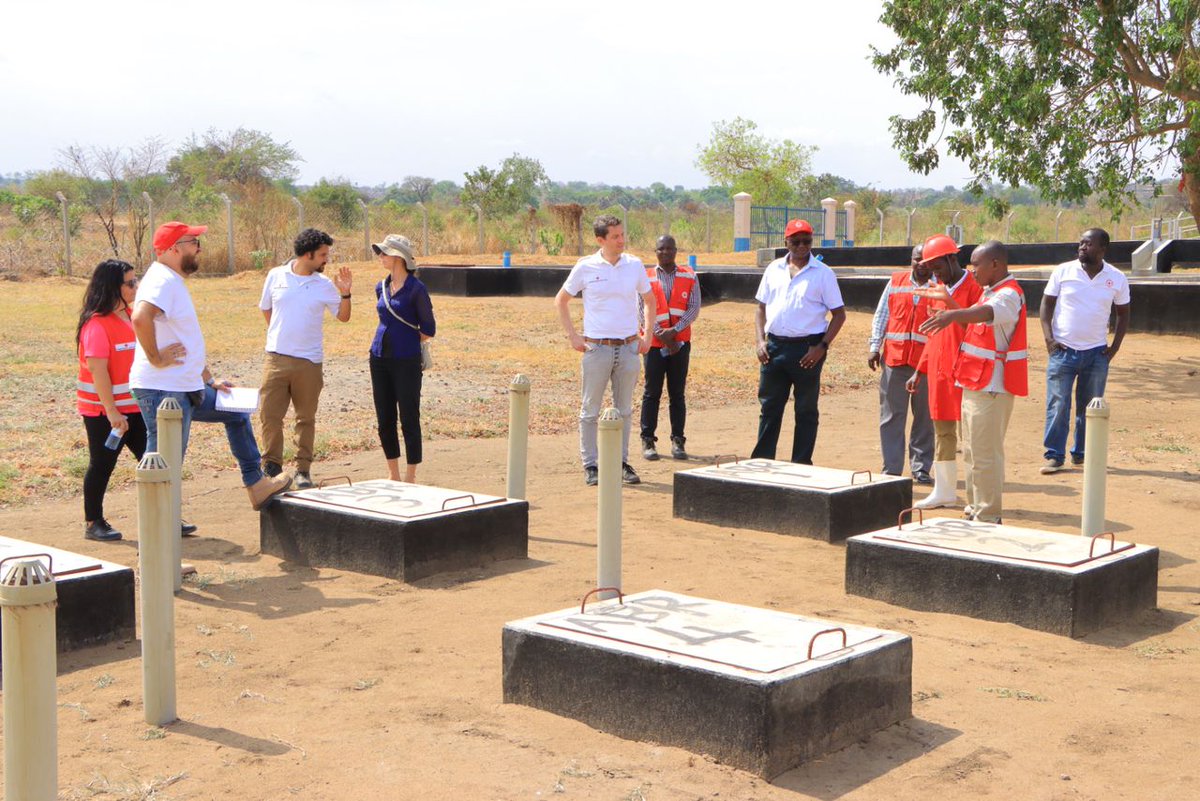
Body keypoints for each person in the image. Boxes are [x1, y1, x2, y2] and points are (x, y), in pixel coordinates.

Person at [129, 221, 292, 512]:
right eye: (194, 242)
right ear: (174, 248)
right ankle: (159, 528)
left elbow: (183, 337)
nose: (200, 248)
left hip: (185, 386)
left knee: (235, 413)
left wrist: (208, 378)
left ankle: (257, 485)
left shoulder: (170, 279)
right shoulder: (161, 280)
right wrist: (156, 358)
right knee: (165, 458)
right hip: (164, 389)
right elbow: (140, 318)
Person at [920, 240, 1027, 524]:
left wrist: (953, 313)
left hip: (992, 388)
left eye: (977, 264)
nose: (972, 270)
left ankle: (988, 515)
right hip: (975, 384)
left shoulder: (1008, 295)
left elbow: (986, 314)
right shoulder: (989, 292)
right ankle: (975, 505)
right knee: (972, 452)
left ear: (996, 264)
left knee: (985, 455)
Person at [555, 215, 655, 486]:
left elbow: (649, 299)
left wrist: (648, 333)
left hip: (628, 347)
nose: (621, 240)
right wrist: (573, 336)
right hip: (596, 347)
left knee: (624, 410)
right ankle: (591, 465)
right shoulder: (585, 266)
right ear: (601, 240)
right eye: (615, 236)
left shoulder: (634, 265)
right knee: (590, 410)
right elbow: (561, 300)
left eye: (622, 235)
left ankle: (621, 462)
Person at [259, 228, 353, 489]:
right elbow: (266, 309)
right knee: (270, 416)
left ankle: (302, 470)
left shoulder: (324, 285)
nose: (327, 259)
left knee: (305, 418)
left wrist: (345, 293)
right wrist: (281, 335)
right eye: (323, 254)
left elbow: (343, 317)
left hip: (309, 363)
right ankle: (272, 467)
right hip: (276, 359)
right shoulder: (275, 276)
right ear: (308, 254)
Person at [751, 219, 846, 464]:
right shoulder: (773, 269)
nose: (802, 246)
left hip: (808, 350)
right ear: (786, 242)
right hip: (774, 348)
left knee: (805, 410)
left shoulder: (823, 274)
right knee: (770, 407)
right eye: (796, 241)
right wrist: (761, 341)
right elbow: (761, 308)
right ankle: (762, 461)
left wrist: (821, 347)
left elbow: (839, 315)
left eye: (807, 241)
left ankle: (802, 463)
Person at [1038, 227, 1130, 473]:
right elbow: (1046, 306)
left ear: (1102, 248)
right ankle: (1054, 456)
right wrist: (1049, 340)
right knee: (1058, 405)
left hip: (1096, 355)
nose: (1082, 247)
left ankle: (1082, 454)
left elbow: (1123, 315)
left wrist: (1114, 349)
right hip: (1063, 351)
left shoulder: (1117, 278)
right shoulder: (1063, 271)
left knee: (1089, 408)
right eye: (1080, 243)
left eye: (1088, 244)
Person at [908, 234, 984, 509]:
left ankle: (977, 497)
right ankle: (944, 491)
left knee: (971, 437)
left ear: (953, 259)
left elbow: (977, 330)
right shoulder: (938, 287)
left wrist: (950, 302)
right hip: (939, 371)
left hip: (966, 373)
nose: (935, 273)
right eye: (931, 268)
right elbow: (934, 333)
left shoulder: (976, 288)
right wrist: (919, 370)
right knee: (942, 432)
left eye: (938, 267)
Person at [75, 260, 146, 541]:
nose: (135, 286)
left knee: (153, 461)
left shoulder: (132, 315)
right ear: (112, 287)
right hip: (104, 413)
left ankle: (165, 516)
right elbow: (97, 370)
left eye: (135, 281)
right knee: (102, 464)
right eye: (130, 283)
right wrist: (112, 412)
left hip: (136, 407)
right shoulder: (96, 325)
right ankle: (93, 522)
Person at [369, 234, 435, 484]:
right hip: (378, 356)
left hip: (406, 359)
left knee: (409, 416)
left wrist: (406, 340)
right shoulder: (381, 287)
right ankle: (393, 473)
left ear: (398, 257)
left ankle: (410, 476)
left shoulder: (417, 289)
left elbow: (428, 328)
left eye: (384, 253)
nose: (380, 257)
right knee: (384, 416)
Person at [868, 244, 934, 483]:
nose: (922, 264)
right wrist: (875, 347)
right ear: (911, 260)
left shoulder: (940, 288)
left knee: (925, 418)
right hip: (895, 361)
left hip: (925, 365)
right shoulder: (896, 281)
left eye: (927, 260)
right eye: (918, 259)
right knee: (891, 417)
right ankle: (892, 470)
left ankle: (921, 468)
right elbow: (882, 314)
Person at [639, 234, 700, 461]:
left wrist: (674, 333)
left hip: (680, 345)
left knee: (677, 394)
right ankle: (647, 440)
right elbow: (640, 309)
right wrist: (661, 334)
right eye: (660, 249)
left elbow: (694, 307)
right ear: (655, 251)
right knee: (651, 393)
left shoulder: (689, 275)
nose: (665, 252)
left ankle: (678, 440)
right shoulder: (645, 277)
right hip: (654, 344)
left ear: (676, 250)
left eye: (669, 249)